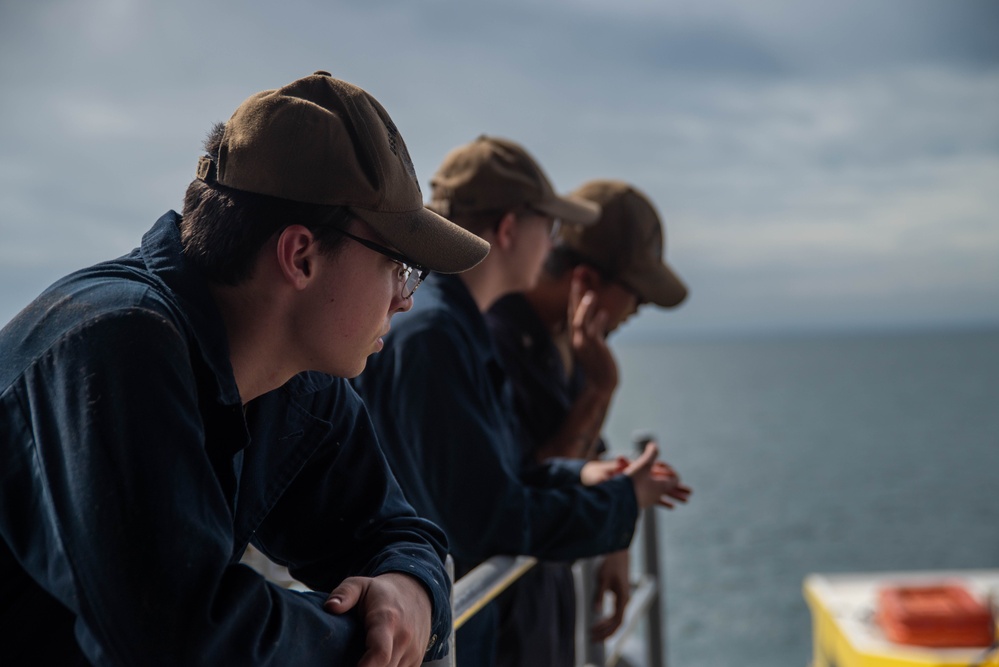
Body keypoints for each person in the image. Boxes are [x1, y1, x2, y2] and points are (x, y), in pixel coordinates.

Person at [0, 71, 490, 666]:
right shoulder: (114, 344)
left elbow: (399, 535)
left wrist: (409, 590)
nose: (405, 298)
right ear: (301, 255)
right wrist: (366, 637)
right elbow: (183, 640)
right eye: (398, 264)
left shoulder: (294, 375)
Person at [352, 136, 688, 667]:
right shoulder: (436, 335)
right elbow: (487, 519)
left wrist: (586, 478)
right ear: (509, 229)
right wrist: (622, 501)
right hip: (462, 637)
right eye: (547, 227)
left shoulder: (455, 328)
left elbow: (506, 477)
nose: (553, 244)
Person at [486, 179, 690, 666]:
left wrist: (613, 532)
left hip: (537, 616)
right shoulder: (496, 338)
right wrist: (600, 388)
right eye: (636, 293)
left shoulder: (560, 341)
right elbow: (536, 479)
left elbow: (579, 457)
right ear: (588, 281)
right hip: (498, 627)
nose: (638, 310)